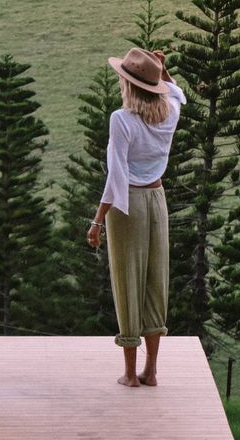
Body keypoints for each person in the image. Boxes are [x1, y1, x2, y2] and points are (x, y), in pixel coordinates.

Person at [87, 47, 185, 388]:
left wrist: (98, 219)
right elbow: (177, 92)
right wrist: (164, 70)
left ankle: (129, 373)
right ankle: (152, 370)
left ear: (129, 86)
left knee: (127, 280)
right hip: (158, 200)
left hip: (127, 204)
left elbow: (116, 175)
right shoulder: (170, 112)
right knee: (156, 282)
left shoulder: (122, 119)